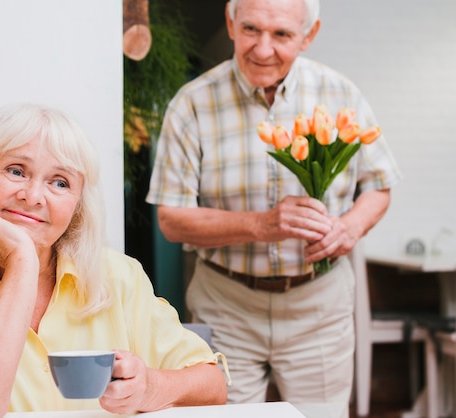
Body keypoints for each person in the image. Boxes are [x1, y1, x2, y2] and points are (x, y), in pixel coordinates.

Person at [146, 0, 402, 411]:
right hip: (225, 304)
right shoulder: (190, 103)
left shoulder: (339, 93)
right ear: (231, 24)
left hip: (319, 304)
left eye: (281, 34)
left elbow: (379, 187)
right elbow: (172, 220)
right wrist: (260, 225)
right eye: (251, 30)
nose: (263, 50)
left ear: (308, 35)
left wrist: (349, 228)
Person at [0, 103, 228, 417]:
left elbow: (213, 386)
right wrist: (21, 262)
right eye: (16, 170)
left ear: (77, 206)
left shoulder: (118, 276)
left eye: (60, 182)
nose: (33, 196)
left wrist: (148, 387)